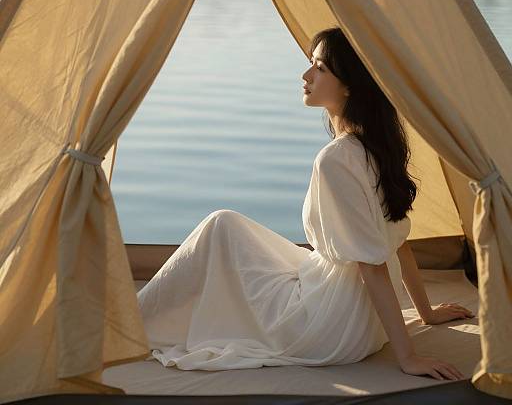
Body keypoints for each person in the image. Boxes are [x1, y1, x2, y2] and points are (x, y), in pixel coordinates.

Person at [136, 26, 474, 380]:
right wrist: (425, 313)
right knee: (231, 232)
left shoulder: (336, 159)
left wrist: (409, 358)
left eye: (320, 68)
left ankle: (130, 326)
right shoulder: (377, 146)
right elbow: (397, 241)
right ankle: (137, 316)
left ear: (350, 85)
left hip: (329, 325)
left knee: (220, 227)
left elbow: (372, 266)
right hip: (362, 322)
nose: (306, 75)